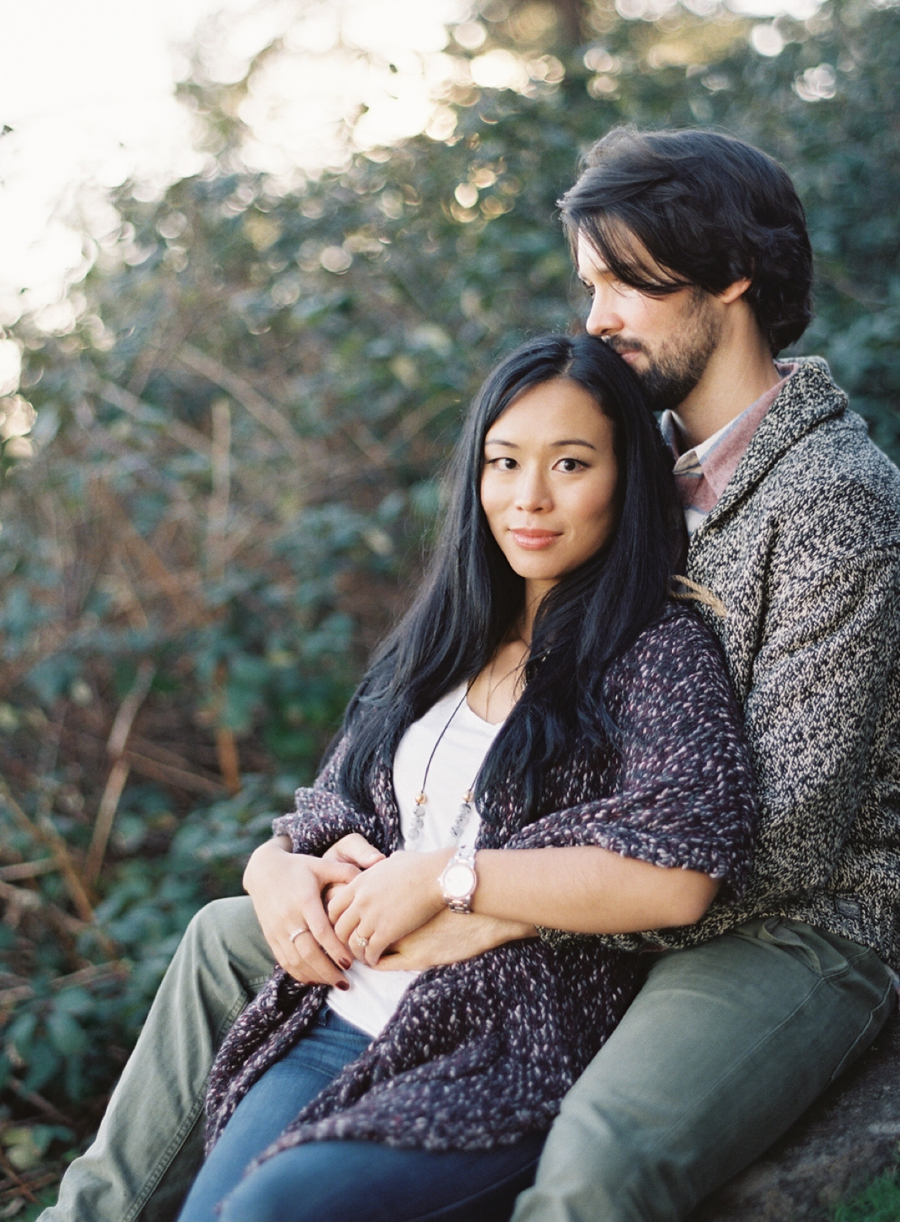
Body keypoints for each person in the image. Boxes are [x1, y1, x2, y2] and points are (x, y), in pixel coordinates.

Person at [41, 126, 900, 1223]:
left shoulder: (833, 502)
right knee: (227, 934)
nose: (596, 319)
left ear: (729, 276)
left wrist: (484, 895)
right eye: (589, 286)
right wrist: (288, 864)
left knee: (597, 1161)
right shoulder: (640, 460)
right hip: (577, 872)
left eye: (624, 284)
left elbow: (779, 847)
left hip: (789, 922)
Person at [172, 331, 755, 1220]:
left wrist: (450, 878)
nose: (529, 498)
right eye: (504, 461)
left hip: (496, 1042)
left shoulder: (656, 650)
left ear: (625, 477)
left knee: (267, 1215)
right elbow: (328, 808)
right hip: (334, 1020)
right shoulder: (446, 634)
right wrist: (273, 866)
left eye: (569, 463)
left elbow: (679, 873)